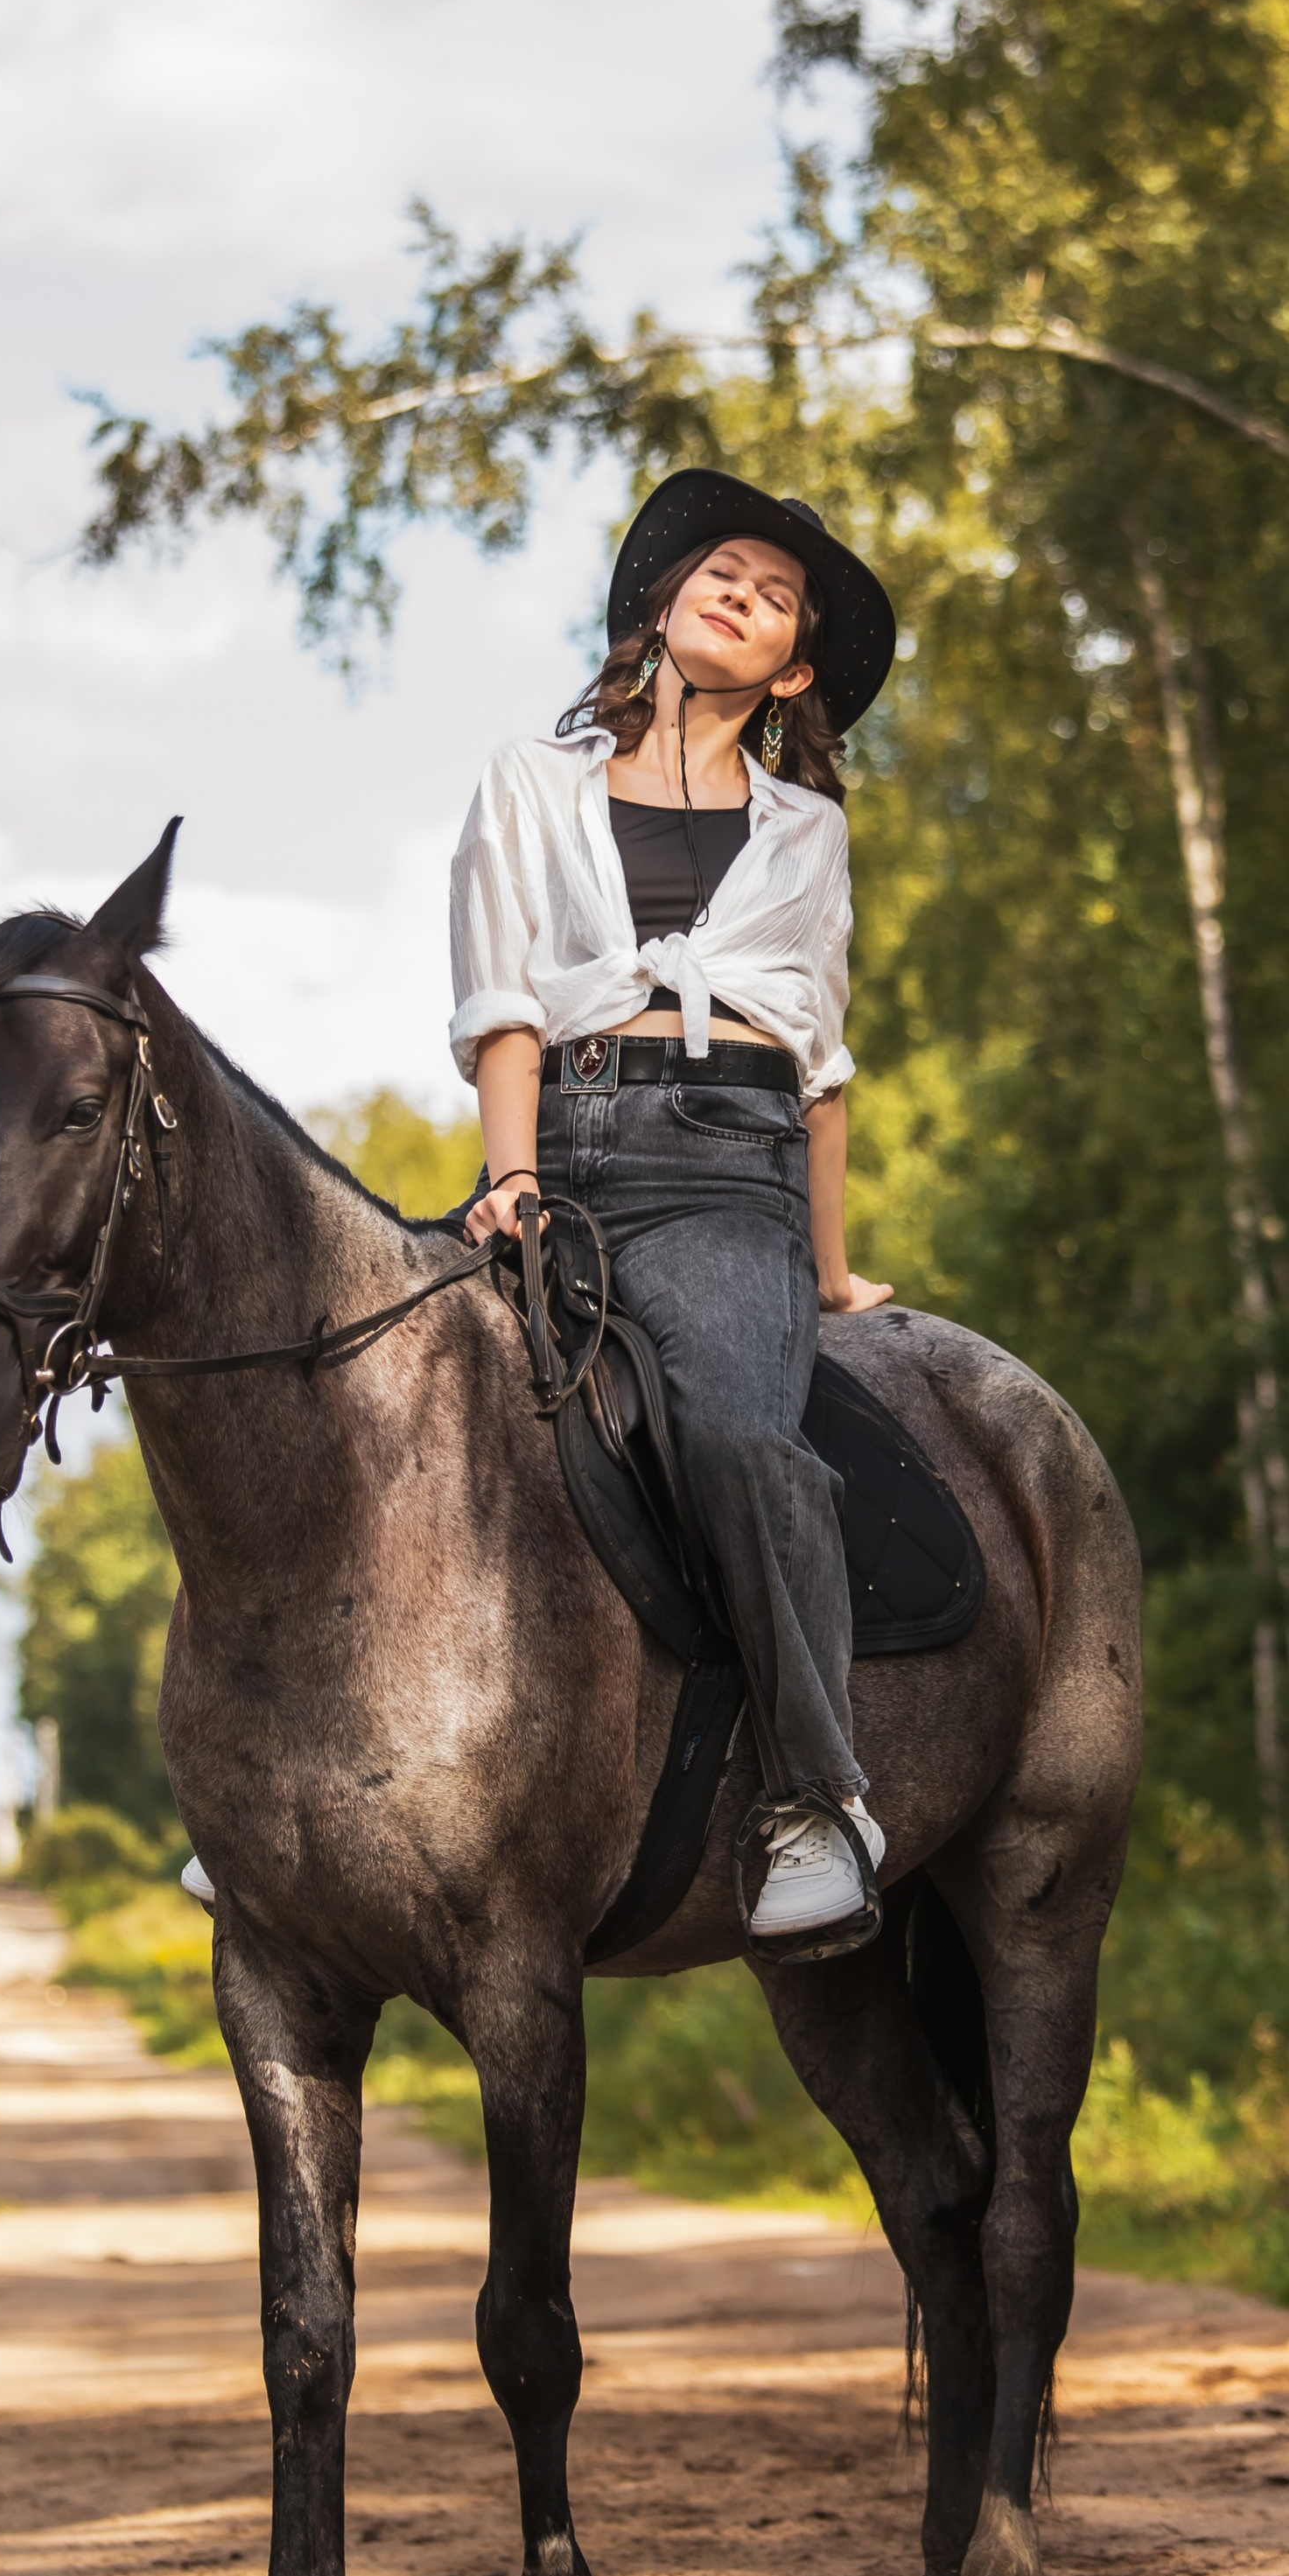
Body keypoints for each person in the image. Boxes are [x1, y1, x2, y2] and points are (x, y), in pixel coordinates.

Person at [449, 466, 898, 1950]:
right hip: (560, 1144)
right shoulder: (530, 781)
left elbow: (818, 1065)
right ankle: (293, 1793)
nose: (741, 597)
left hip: (726, 1163)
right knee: (385, 1393)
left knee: (733, 1436)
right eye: (721, 572)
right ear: (660, 599)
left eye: (776, 598)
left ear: (798, 667)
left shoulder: (807, 836)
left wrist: (827, 1277)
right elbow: (505, 998)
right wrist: (511, 1175)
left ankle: (819, 1798)